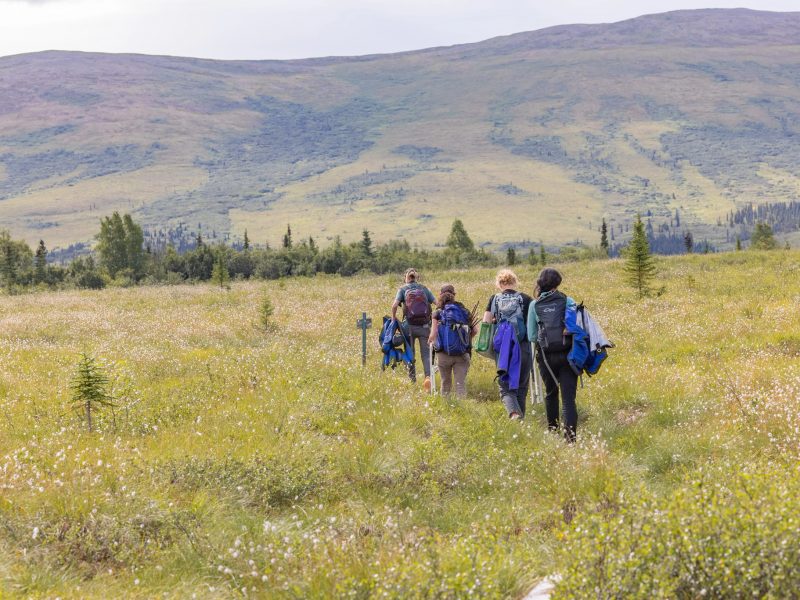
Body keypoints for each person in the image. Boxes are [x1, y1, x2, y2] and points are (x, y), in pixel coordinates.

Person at [527, 268, 580, 442]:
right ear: (558, 283)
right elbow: (577, 328)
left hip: (545, 357)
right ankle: (570, 438)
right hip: (568, 354)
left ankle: (552, 430)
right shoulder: (568, 300)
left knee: (551, 392)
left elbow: (532, 336)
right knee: (568, 398)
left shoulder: (535, 305)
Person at [483, 269, 533, 420]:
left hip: (503, 348)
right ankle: (520, 422)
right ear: (514, 282)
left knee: (505, 386)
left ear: (499, 284)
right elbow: (531, 325)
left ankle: (514, 413)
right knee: (522, 387)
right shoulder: (525, 298)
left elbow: (486, 323)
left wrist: (495, 321)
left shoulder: (494, 299)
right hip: (523, 346)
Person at [427, 284, 477, 397]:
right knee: (460, 384)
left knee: (445, 383)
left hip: (443, 354)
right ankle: (462, 411)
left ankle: (447, 409)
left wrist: (431, 342)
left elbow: (433, 334)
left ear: (440, 295)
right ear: (454, 295)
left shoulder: (437, 312)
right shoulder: (463, 311)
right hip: (462, 354)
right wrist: (463, 341)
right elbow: (475, 331)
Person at [391, 268, 436, 386]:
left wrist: (393, 318)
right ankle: (427, 377)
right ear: (417, 278)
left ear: (405, 278)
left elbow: (394, 305)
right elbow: (438, 303)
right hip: (424, 326)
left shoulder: (402, 289)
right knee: (426, 354)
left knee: (410, 353)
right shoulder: (424, 289)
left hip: (408, 326)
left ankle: (412, 381)